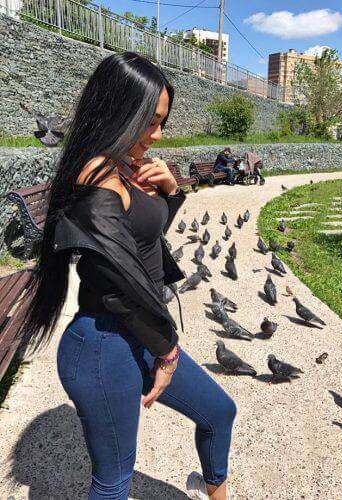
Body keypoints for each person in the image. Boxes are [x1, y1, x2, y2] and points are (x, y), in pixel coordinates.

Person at [20, 52, 236, 500]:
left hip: (140, 334)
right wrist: (167, 351)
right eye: (150, 122)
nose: (157, 135)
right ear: (119, 111)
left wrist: (170, 193)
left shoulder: (124, 167)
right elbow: (118, 282)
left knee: (219, 412)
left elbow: (142, 242)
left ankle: (215, 491)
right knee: (114, 480)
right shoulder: (96, 177)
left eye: (162, 123)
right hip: (104, 344)